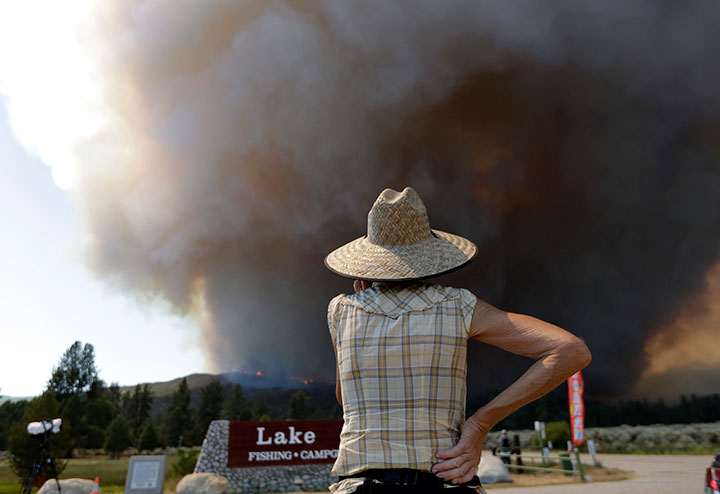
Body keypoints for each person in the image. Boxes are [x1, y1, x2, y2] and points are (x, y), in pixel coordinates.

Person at [324, 187, 591, 493]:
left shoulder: (341, 311)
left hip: (359, 486)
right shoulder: (458, 306)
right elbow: (571, 350)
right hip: (442, 478)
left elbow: (347, 399)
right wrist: (479, 425)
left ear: (369, 257)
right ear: (428, 254)